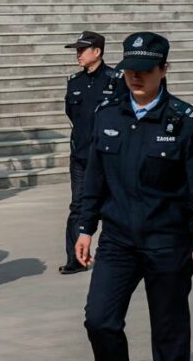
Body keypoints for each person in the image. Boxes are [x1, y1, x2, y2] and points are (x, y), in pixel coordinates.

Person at [76, 31, 193, 361]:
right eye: (130, 70)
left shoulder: (188, 122)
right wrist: (85, 227)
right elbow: (95, 179)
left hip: (168, 242)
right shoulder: (108, 115)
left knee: (169, 333)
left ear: (164, 70)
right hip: (117, 241)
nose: (136, 76)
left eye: (145, 70)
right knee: (99, 321)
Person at [61, 31, 125, 275]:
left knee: (111, 206)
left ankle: (114, 255)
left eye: (82, 50)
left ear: (97, 52)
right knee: (78, 206)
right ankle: (75, 258)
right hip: (80, 156)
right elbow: (71, 113)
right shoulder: (74, 81)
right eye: (76, 50)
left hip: (108, 156)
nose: (78, 54)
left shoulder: (115, 80)